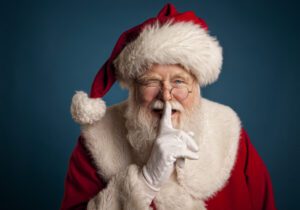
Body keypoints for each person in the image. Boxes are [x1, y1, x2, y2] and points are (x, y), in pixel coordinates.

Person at [60, 3, 276, 210]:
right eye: (151, 81)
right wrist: (147, 181)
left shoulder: (227, 130)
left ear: (197, 85)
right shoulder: (98, 138)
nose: (166, 95)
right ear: (134, 88)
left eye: (179, 81)